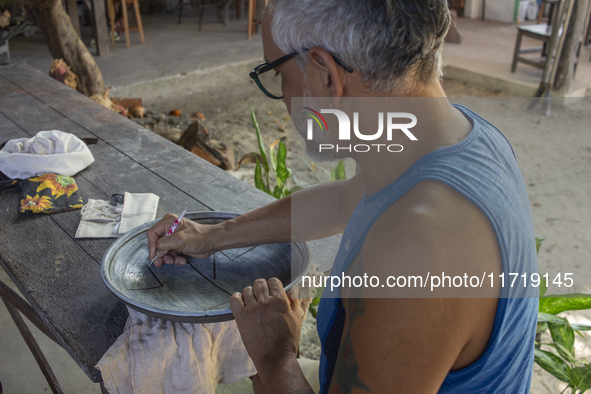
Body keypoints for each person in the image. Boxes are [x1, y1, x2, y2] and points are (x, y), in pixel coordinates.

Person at [147, 1, 538, 393]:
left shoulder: (415, 249)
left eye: (276, 73)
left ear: (324, 74)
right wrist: (212, 235)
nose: (282, 96)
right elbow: (342, 201)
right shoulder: (452, 135)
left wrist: (275, 357)